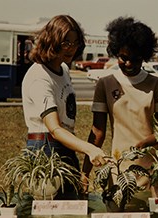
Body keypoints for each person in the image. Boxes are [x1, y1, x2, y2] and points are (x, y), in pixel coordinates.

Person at [21, 15, 107, 199]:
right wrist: (89, 149)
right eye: (66, 42)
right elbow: (54, 129)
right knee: (50, 207)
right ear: (52, 40)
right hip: (45, 148)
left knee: (72, 204)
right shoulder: (39, 76)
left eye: (75, 43)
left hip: (66, 146)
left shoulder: (64, 69)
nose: (71, 48)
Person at [81, 16, 158, 193]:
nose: (128, 64)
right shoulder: (105, 84)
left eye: (136, 59)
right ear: (115, 53)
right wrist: (84, 173)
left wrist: (142, 145)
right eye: (123, 57)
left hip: (152, 169)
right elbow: (98, 132)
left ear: (144, 56)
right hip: (119, 169)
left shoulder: (156, 84)